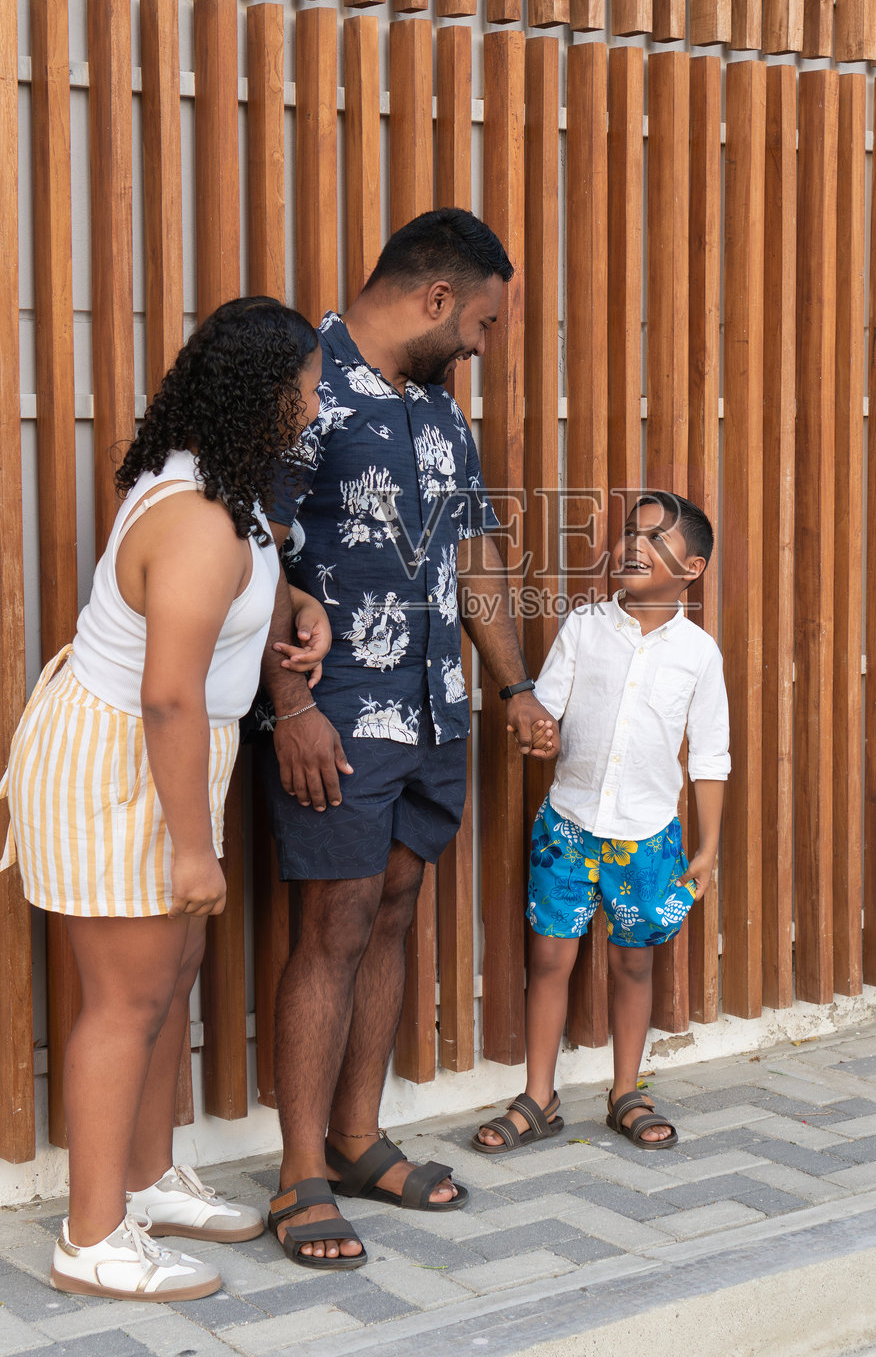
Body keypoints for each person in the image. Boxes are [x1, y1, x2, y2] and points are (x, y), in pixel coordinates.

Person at [0, 298, 330, 1302]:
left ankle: (143, 1182)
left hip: (164, 752)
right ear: (266, 396)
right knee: (127, 1000)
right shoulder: (196, 519)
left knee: (168, 974)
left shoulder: (218, 483)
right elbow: (169, 694)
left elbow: (237, 585)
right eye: (310, 388)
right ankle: (92, 1238)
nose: (317, 407)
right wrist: (194, 848)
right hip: (123, 758)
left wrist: (296, 603)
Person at [257, 208, 559, 1267]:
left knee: (392, 910)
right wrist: (290, 706)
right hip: (336, 714)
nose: (481, 344)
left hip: (433, 710)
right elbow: (253, 553)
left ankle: (355, 1140)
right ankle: (298, 1175)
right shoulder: (305, 389)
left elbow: (472, 557)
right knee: (332, 927)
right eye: (480, 323)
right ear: (437, 298)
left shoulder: (439, 411)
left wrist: (513, 685)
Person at [473, 492, 729, 1154]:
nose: (636, 545)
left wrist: (707, 849)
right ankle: (538, 1097)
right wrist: (538, 731)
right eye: (631, 532)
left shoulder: (698, 654)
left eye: (658, 538)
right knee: (548, 958)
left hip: (648, 839)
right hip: (567, 826)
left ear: (693, 569)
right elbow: (547, 706)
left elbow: (709, 756)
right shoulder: (584, 627)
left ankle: (625, 1093)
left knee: (633, 965)